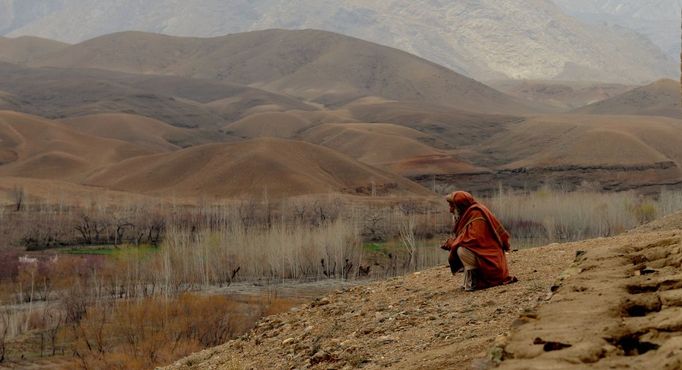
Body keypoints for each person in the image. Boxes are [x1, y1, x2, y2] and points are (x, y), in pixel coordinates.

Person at [441, 191, 517, 291]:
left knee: (461, 249)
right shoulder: (469, 213)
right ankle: (470, 281)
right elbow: (467, 237)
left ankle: (475, 282)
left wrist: (453, 243)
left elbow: (473, 239)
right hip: (486, 256)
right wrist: (454, 243)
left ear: (460, 206)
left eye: (452, 206)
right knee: (460, 247)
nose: (450, 210)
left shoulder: (477, 214)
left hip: (491, 261)